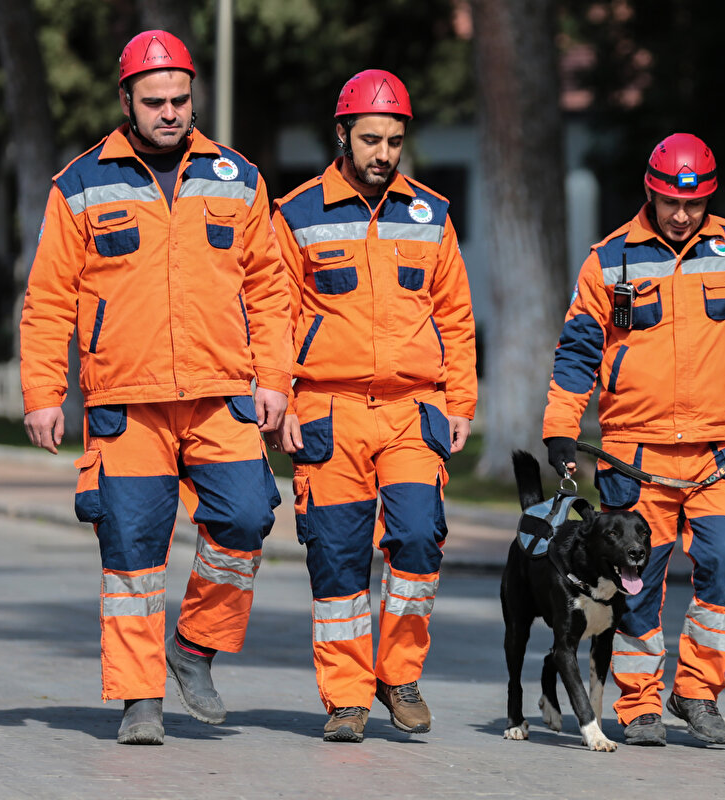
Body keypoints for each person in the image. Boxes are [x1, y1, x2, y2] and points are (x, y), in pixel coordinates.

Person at [18, 30, 291, 746]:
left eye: (180, 98)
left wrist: (276, 381)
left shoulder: (239, 177)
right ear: (126, 103)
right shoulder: (79, 184)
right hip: (125, 400)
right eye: (155, 101)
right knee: (133, 549)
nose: (170, 112)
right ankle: (140, 698)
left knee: (248, 515)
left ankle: (194, 646)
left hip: (222, 390)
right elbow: (48, 298)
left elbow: (268, 289)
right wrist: (43, 392)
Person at [542, 133, 725, 747]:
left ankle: (696, 692)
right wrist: (560, 427)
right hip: (634, 456)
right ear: (651, 191)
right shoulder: (609, 260)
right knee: (636, 582)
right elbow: (577, 351)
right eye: (671, 202)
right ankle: (638, 706)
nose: (683, 214)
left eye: (695, 204)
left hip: (718, 452)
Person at [270, 70, 477, 743]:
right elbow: (273, 316)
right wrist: (281, 402)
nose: (384, 152)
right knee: (337, 558)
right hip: (328, 411)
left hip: (413, 410)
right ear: (342, 136)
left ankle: (399, 672)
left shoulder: (432, 215)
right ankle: (347, 697)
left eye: (393, 140)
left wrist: (462, 402)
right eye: (370, 139)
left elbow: (456, 317)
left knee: (418, 538)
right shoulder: (295, 214)